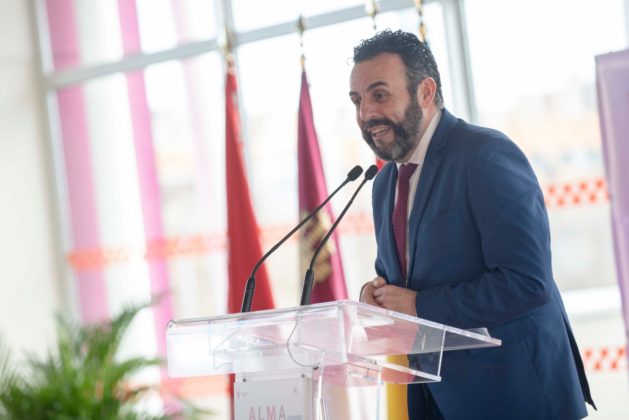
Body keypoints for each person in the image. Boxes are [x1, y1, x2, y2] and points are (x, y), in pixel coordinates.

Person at [351, 29, 595, 419]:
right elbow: (403, 279)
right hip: (435, 399)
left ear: (425, 92)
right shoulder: (383, 184)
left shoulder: (486, 155)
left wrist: (419, 305)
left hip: (517, 397)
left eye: (380, 95)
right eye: (357, 100)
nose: (366, 114)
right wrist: (375, 295)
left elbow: (527, 281)